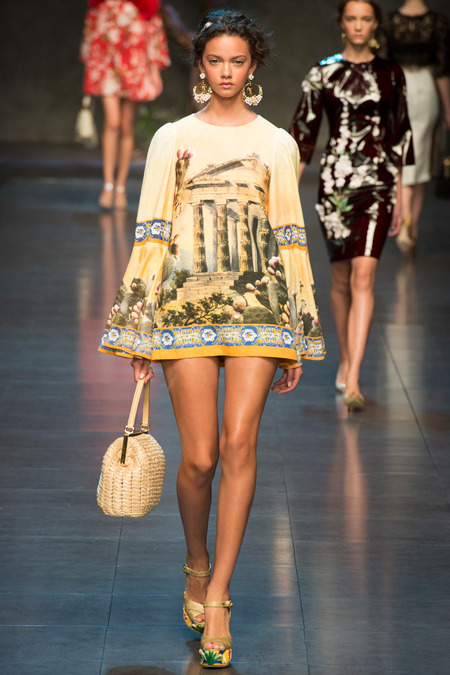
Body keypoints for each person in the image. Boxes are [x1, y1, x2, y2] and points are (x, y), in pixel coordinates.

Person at [99, 8, 325, 667]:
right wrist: (138, 328)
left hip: (259, 306)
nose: (227, 72)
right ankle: (196, 563)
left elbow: (290, 237)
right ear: (201, 65)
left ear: (253, 67)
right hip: (184, 308)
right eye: (216, 60)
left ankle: (220, 596)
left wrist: (298, 331)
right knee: (198, 459)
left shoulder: (276, 143)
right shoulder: (171, 138)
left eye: (238, 61)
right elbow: (151, 233)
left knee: (238, 444)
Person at [290, 0, 413, 411]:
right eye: (351, 18)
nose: (359, 25)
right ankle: (346, 359)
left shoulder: (392, 73)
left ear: (375, 24)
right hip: (336, 184)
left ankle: (355, 376)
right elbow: (304, 134)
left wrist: (400, 196)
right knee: (341, 281)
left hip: (378, 183)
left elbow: (400, 133)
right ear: (342, 23)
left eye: (366, 19)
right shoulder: (322, 72)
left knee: (364, 276)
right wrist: (287, 190)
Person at [80, 0, 170, 210]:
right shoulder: (101, 4)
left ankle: (120, 186)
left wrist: (154, 70)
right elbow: (91, 32)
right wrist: (91, 65)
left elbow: (154, 32)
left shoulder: (144, 4)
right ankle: (108, 185)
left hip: (135, 64)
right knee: (112, 123)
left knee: (126, 126)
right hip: (107, 65)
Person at [379, 0, 450, 255]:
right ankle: (411, 224)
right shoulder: (437, 22)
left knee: (402, 154)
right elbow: (442, 69)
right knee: (420, 157)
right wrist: (448, 108)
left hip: (396, 87)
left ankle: (406, 221)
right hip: (425, 86)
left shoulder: (390, 22)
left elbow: (382, 66)